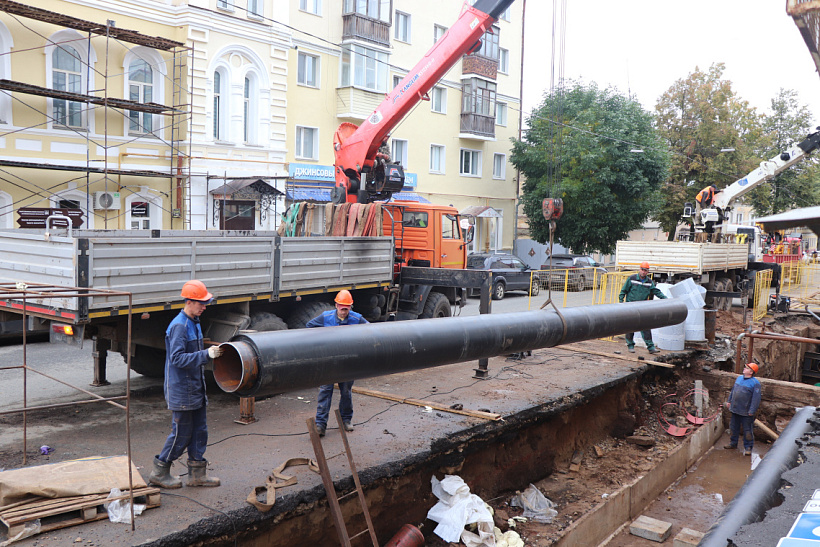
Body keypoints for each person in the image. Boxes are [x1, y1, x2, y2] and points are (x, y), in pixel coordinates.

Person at [148, 280, 222, 489]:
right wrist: (206, 354)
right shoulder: (179, 326)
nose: (204, 306)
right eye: (201, 303)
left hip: (195, 388)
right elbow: (177, 359)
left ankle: (197, 475)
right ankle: (159, 472)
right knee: (181, 433)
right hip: (182, 390)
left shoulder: (194, 322)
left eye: (205, 303)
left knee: (200, 431)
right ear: (189, 301)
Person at [308, 290, 369, 437]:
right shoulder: (326, 317)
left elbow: (370, 330)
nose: (344, 311)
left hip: (347, 362)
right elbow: (309, 327)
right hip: (329, 361)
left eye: (346, 309)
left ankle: (346, 420)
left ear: (350, 307)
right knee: (325, 391)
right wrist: (321, 343)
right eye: (342, 308)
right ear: (336, 305)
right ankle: (320, 425)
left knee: (346, 392)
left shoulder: (356, 319)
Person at [618, 262, 667, 354]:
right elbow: (623, 291)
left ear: (648, 272)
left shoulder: (649, 282)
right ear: (639, 269)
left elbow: (656, 291)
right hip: (630, 307)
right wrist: (621, 302)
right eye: (642, 270)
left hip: (642, 308)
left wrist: (665, 299)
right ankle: (630, 345)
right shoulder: (632, 279)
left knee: (646, 327)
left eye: (645, 270)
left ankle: (651, 347)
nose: (643, 272)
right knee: (630, 327)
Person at [724, 363, 762, 455]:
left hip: (746, 411)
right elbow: (733, 391)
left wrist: (752, 410)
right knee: (733, 427)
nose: (744, 369)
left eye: (747, 368)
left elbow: (756, 399)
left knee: (747, 430)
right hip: (735, 408)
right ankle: (733, 443)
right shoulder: (739, 378)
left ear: (751, 372)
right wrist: (729, 401)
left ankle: (748, 447)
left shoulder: (755, 383)